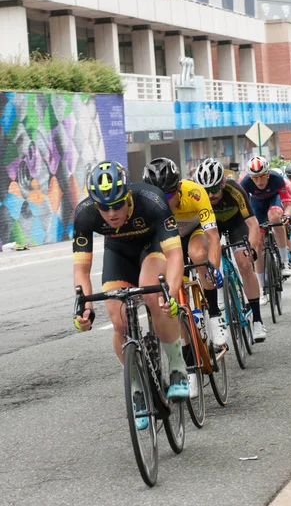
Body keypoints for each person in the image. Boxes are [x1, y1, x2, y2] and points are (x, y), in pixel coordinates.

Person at [73, 161, 189, 429]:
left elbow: (174, 254)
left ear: (128, 195)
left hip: (152, 248)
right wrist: (83, 307)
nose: (111, 213)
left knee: (154, 297)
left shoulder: (151, 199)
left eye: (117, 204)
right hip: (119, 253)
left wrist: (170, 293)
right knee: (119, 321)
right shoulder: (84, 214)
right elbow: (81, 269)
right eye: (104, 207)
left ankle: (176, 365)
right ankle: (136, 388)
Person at [142, 157, 228, 349]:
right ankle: (187, 322)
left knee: (197, 254)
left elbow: (213, 237)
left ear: (179, 187)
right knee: (174, 281)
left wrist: (213, 269)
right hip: (170, 240)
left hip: (194, 231)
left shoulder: (196, 193)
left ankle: (214, 313)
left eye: (169, 194)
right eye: (159, 196)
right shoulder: (147, 205)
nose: (165, 201)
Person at [195, 157, 267, 342]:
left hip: (236, 224)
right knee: (209, 261)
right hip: (213, 227)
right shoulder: (197, 196)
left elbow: (252, 224)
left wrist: (249, 250)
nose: (210, 195)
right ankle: (219, 301)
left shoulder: (235, 190)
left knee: (244, 264)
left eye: (214, 189)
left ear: (223, 182)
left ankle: (257, 320)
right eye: (206, 191)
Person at [240, 156, 291, 279]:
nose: (259, 181)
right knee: (258, 243)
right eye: (255, 178)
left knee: (275, 218)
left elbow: (287, 204)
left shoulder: (277, 179)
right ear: (250, 177)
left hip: (273, 201)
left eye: (262, 176)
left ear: (268, 173)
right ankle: (262, 287)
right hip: (256, 205)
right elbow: (244, 210)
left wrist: (286, 215)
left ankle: (285, 262)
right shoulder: (245, 183)